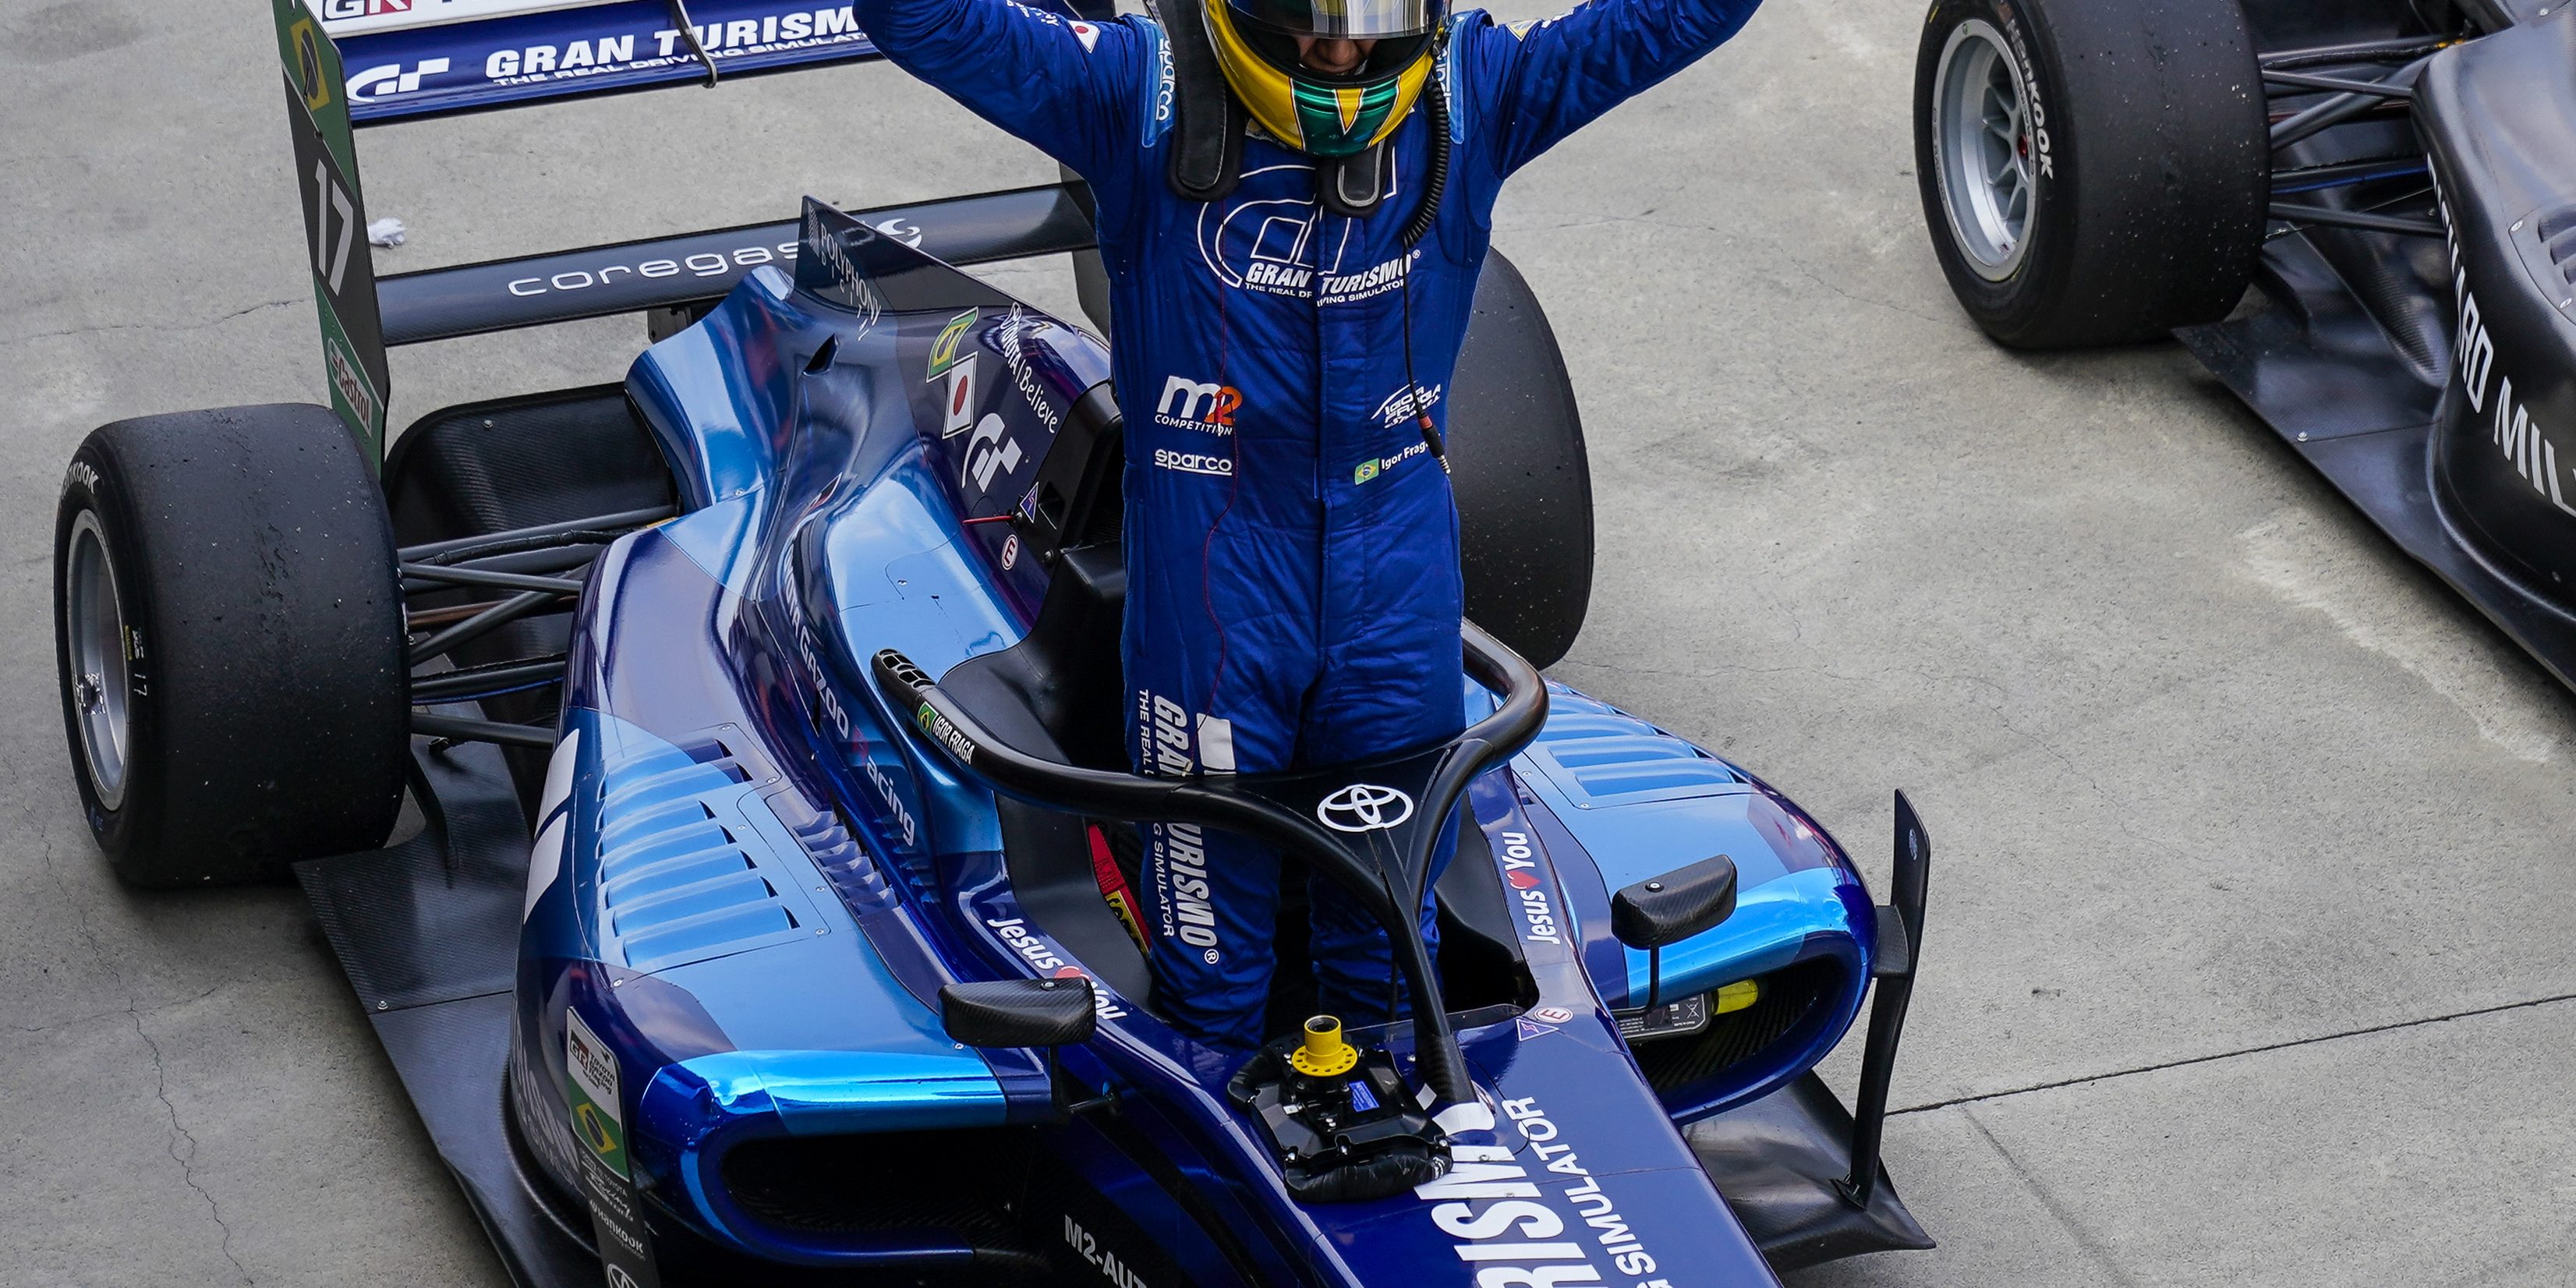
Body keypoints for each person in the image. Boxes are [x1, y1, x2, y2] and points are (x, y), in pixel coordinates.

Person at [855, 0, 1764, 1051]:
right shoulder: (1133, 94)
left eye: (1370, 29)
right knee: (1213, 977)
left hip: (1399, 593)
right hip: (1212, 608)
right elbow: (916, 19)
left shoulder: (1477, 94)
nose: (1340, 53)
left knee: (1392, 953)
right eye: (1309, 27)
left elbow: (1678, 18)